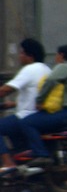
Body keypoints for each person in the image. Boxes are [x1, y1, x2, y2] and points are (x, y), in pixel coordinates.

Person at [20, 44, 67, 158]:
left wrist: (40, 100)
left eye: (56, 55)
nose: (55, 58)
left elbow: (50, 80)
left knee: (27, 122)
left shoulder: (64, 67)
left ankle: (40, 154)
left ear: (61, 55)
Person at [0, 39, 53, 176]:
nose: (19, 56)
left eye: (21, 53)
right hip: (40, 116)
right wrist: (12, 104)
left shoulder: (29, 69)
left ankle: (8, 164)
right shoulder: (47, 69)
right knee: (15, 140)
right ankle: (22, 170)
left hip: (25, 116)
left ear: (30, 56)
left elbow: (6, 90)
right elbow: (35, 95)